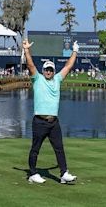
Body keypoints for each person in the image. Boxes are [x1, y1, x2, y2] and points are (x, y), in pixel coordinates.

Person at [23, 38, 78, 184]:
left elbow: (68, 66)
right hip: (39, 121)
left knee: (59, 148)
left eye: (51, 70)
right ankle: (33, 174)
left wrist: (75, 51)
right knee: (35, 148)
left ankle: (64, 173)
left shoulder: (58, 79)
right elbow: (30, 64)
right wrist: (27, 50)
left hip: (54, 122)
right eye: (46, 69)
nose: (48, 71)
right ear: (43, 71)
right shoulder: (37, 79)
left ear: (53, 71)